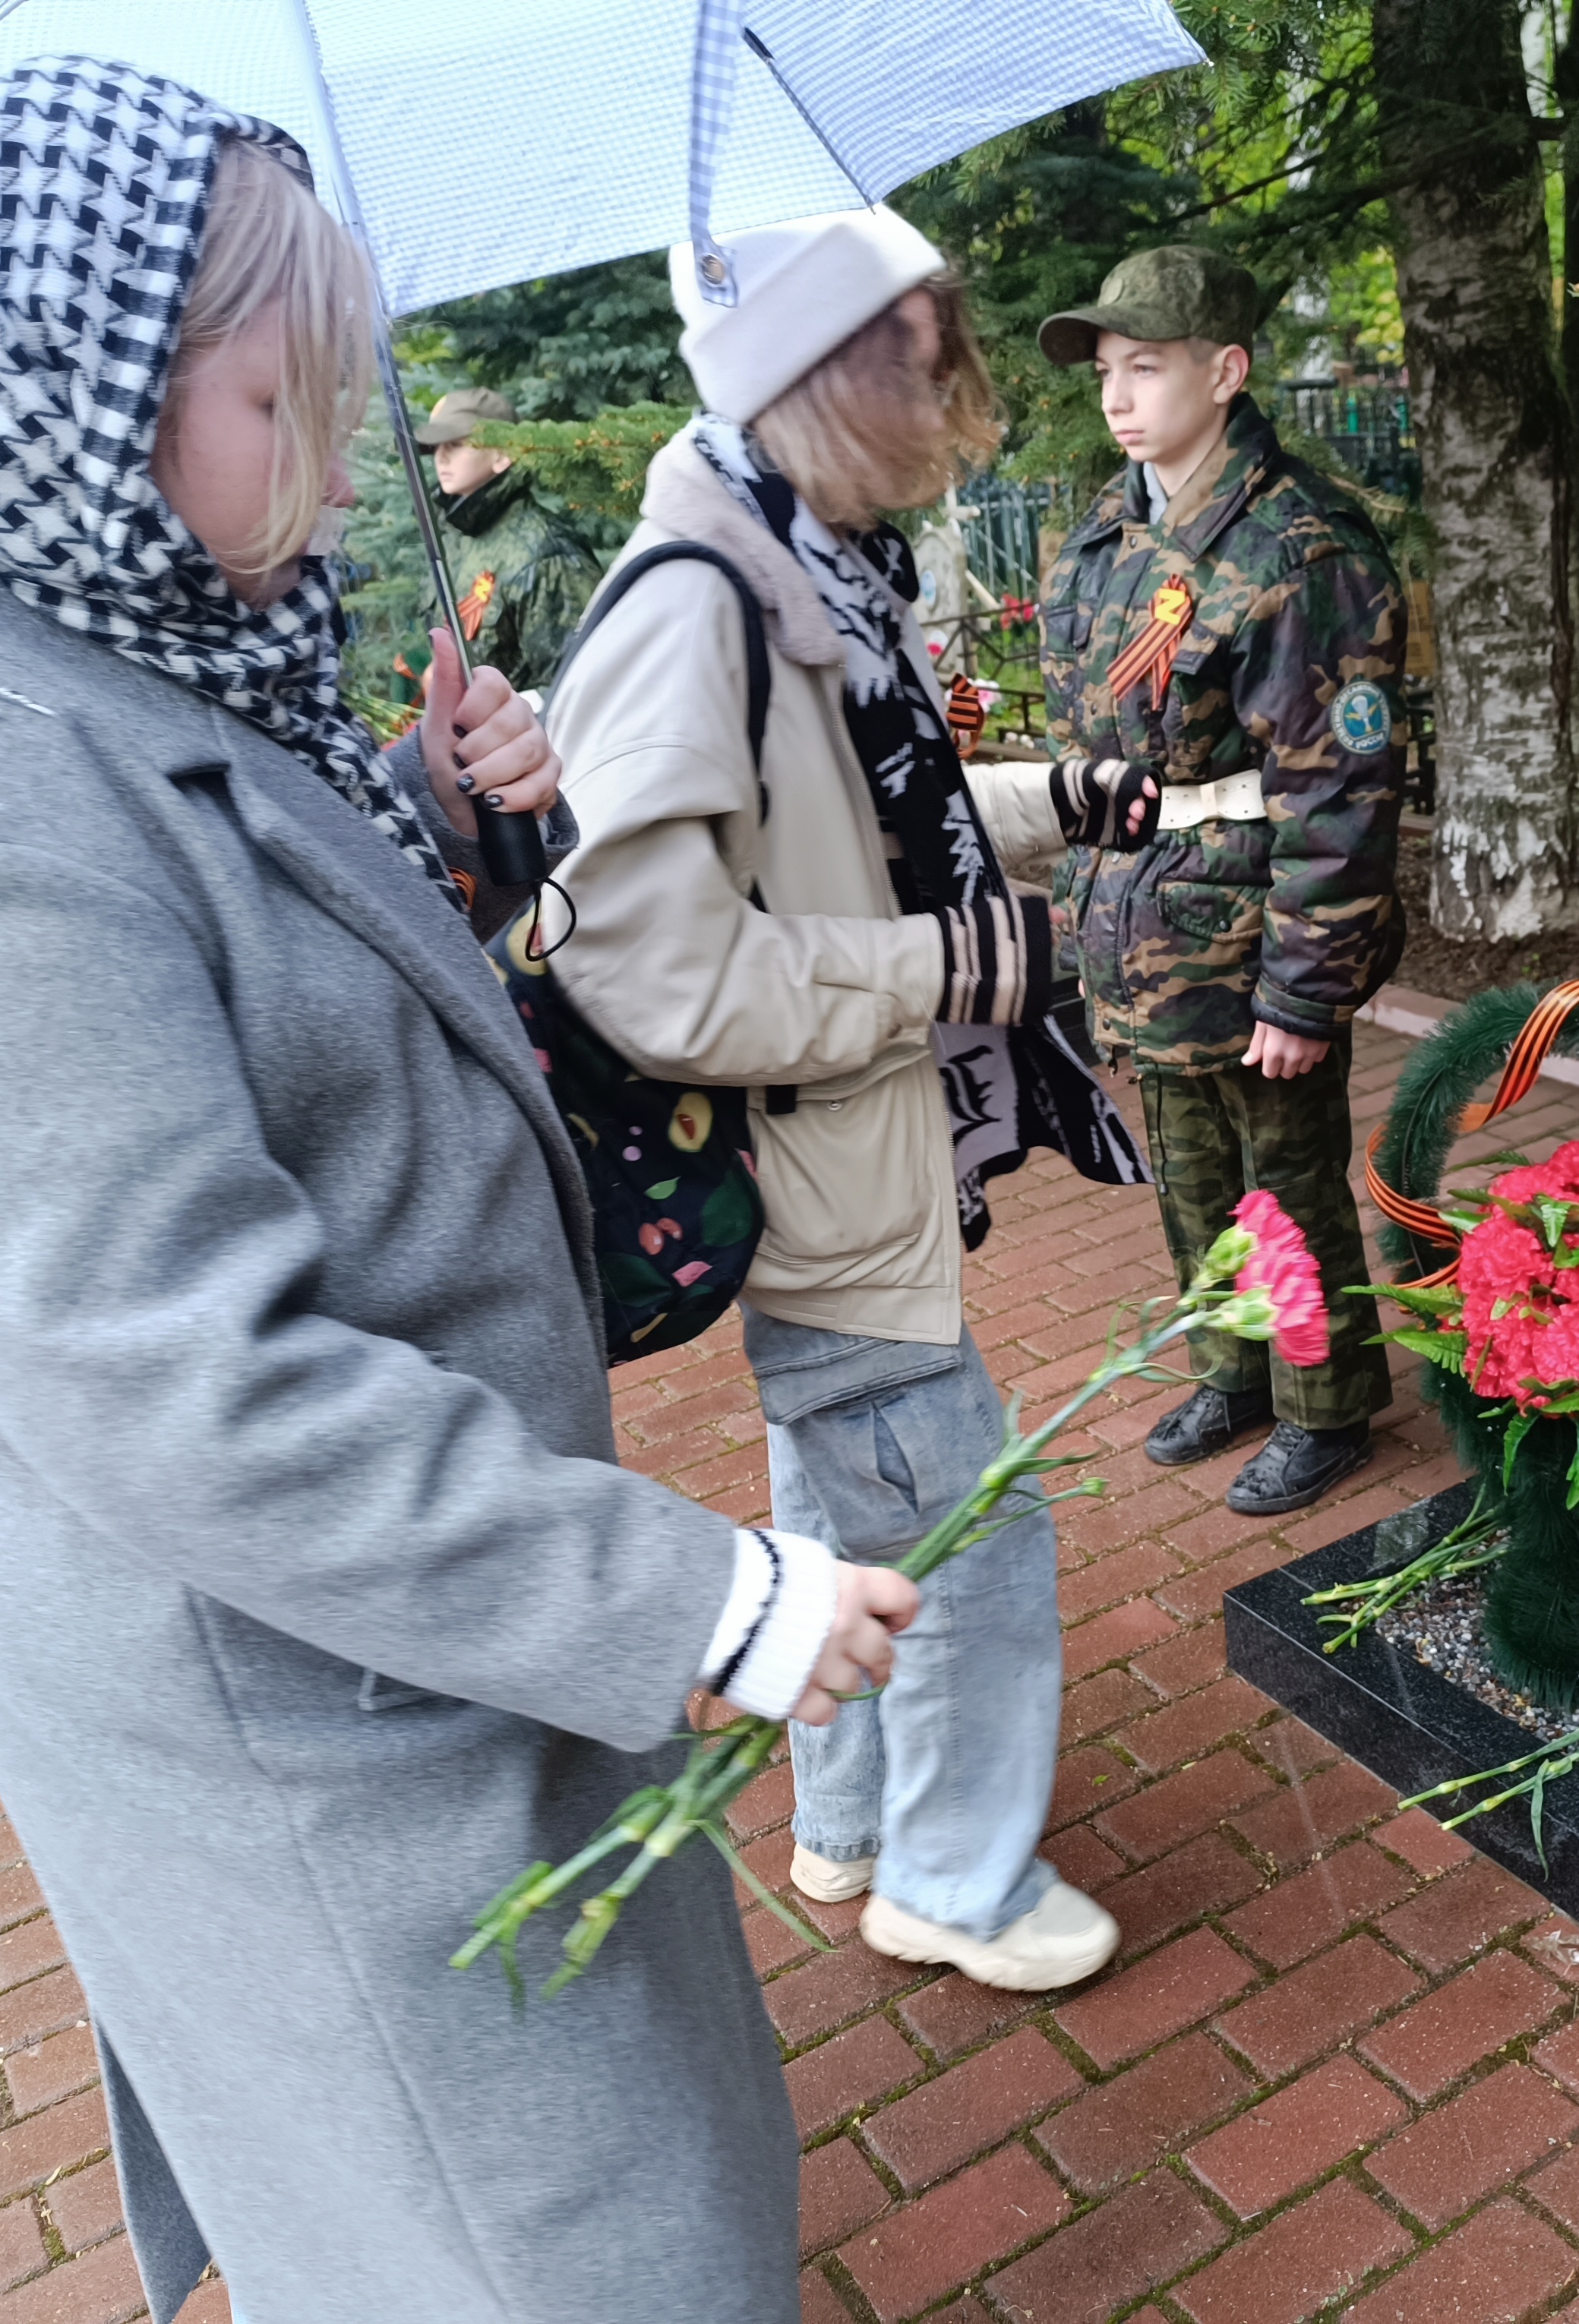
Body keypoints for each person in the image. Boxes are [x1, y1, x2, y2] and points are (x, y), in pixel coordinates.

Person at [0, 63, 904, 2323]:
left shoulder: (40, 633)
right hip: (318, 1682)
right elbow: (181, 1384)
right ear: (81, 374)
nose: (328, 469)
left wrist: (421, 812)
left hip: (402, 1620)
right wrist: (694, 1607)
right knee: (536, 2241)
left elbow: (203, 956)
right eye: (274, 397)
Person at [474, 208, 1151, 1993]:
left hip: (843, 1165)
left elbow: (851, 830)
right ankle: (955, 1878)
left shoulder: (802, 574)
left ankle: (846, 1828)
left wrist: (1055, 805)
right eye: (926, 374)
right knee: (967, 1538)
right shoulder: (697, 607)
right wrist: (955, 971)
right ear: (831, 382)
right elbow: (660, 971)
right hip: (817, 1179)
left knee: (856, 1521)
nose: (958, 413)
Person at [1033, 246, 1407, 1516]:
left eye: (1146, 368)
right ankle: (1232, 1368)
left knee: (1282, 1178)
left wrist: (1305, 993)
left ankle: (1325, 1400)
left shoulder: (1303, 551)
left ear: (1227, 371)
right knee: (1189, 1171)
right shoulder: (1115, 531)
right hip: (1144, 922)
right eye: (1106, 372)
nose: (1117, 397)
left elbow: (1342, 791)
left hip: (1249, 931)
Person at [406, 384, 602, 694]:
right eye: (437, 446)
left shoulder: (546, 553)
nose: (441, 457)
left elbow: (579, 689)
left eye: (456, 444)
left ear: (503, 455)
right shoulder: (454, 538)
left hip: (523, 739)